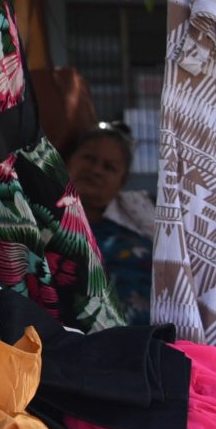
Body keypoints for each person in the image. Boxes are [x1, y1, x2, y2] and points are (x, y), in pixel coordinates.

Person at [65, 123, 152, 323]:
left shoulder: (142, 231)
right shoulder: (44, 225)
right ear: (69, 161)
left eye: (109, 167)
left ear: (122, 182)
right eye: (89, 158)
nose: (96, 170)